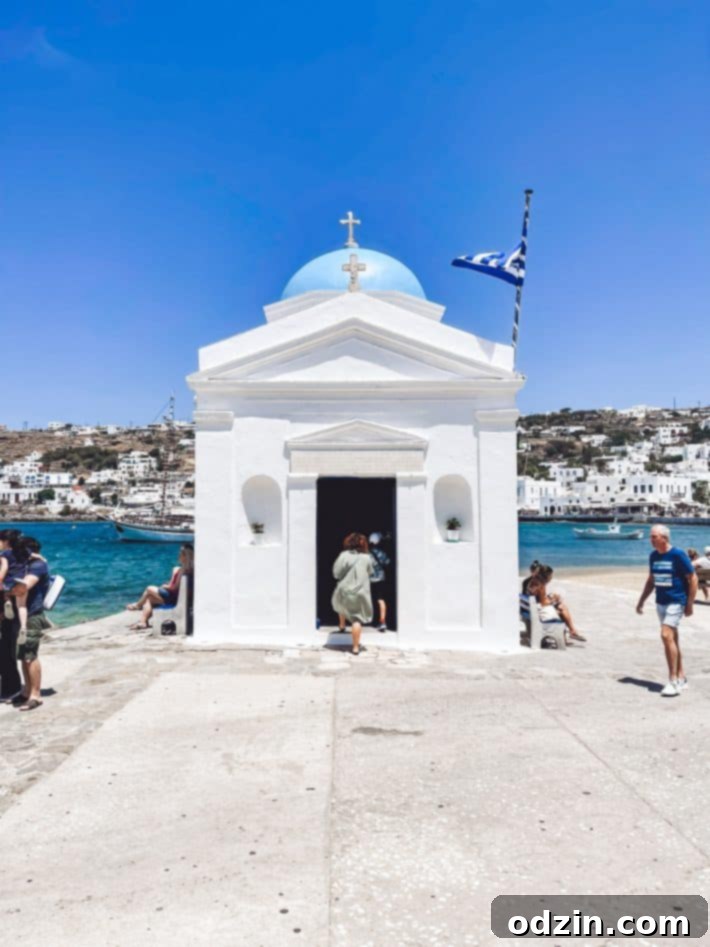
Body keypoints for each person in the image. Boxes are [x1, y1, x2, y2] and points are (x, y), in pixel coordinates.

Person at [636, 524, 697, 697]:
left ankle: (673, 681)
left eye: (654, 536)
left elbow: (692, 578)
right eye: (650, 536)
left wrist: (689, 604)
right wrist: (641, 601)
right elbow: (651, 580)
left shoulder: (677, 555)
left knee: (665, 635)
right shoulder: (653, 556)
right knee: (672, 639)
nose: (651, 539)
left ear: (664, 538)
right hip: (660, 602)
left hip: (676, 601)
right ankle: (682, 677)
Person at [7, 536, 51, 711]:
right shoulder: (24, 565)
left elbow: (23, 587)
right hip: (20, 614)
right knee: (22, 655)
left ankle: (35, 695)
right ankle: (26, 691)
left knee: (29, 655)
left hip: (32, 615)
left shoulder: (38, 566)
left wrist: (7, 587)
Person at [126, 544, 194, 631]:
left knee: (149, 588)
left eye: (180, 554)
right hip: (177, 598)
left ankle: (137, 605)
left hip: (174, 598)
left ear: (185, 556)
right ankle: (143, 622)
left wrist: (165, 586)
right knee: (149, 599)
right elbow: (174, 585)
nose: (178, 555)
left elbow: (173, 588)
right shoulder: (183, 569)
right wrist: (168, 585)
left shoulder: (183, 570)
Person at [332, 533, 373, 655]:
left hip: (344, 590)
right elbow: (370, 572)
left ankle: (342, 625)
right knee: (356, 620)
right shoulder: (366, 558)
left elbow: (336, 573)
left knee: (342, 605)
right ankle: (355, 648)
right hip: (360, 592)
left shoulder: (343, 555)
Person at [0, 529, 23, 701]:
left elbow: (3, 571)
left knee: (6, 648)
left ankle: (11, 689)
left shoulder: (5, 555)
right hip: (16, 601)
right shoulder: (23, 554)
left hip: (6, 601)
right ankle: (12, 688)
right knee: (8, 647)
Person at [536, 564, 587, 642]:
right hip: (540, 613)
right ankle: (571, 632)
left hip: (535, 610)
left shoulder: (535, 582)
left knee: (561, 607)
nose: (551, 578)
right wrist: (553, 600)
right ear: (547, 576)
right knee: (562, 608)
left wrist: (549, 598)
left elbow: (540, 600)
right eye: (551, 576)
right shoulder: (541, 585)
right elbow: (543, 603)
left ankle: (571, 632)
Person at [369, 532, 391, 632]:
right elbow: (388, 562)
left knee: (369, 599)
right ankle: (382, 621)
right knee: (380, 599)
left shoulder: (367, 553)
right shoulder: (381, 553)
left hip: (369, 579)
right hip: (380, 578)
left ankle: (369, 618)